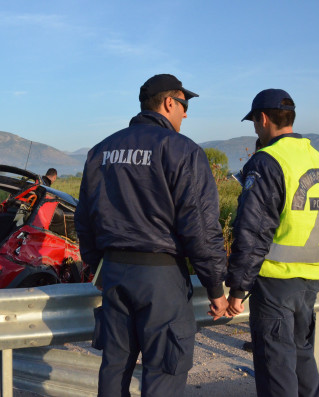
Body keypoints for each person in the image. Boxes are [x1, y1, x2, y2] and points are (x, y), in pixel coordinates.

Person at [74, 74, 229, 397]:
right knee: (164, 373)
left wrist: (98, 268)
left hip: (115, 275)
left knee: (115, 368)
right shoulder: (180, 150)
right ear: (169, 103)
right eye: (184, 105)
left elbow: (84, 220)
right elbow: (200, 227)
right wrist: (215, 286)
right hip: (161, 279)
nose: (185, 114)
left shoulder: (101, 151)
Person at [225, 89, 319, 397]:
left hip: (276, 281)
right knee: (302, 356)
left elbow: (252, 230)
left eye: (253, 121)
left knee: (276, 366)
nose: (254, 128)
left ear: (263, 119)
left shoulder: (268, 161)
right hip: (312, 281)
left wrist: (238, 288)